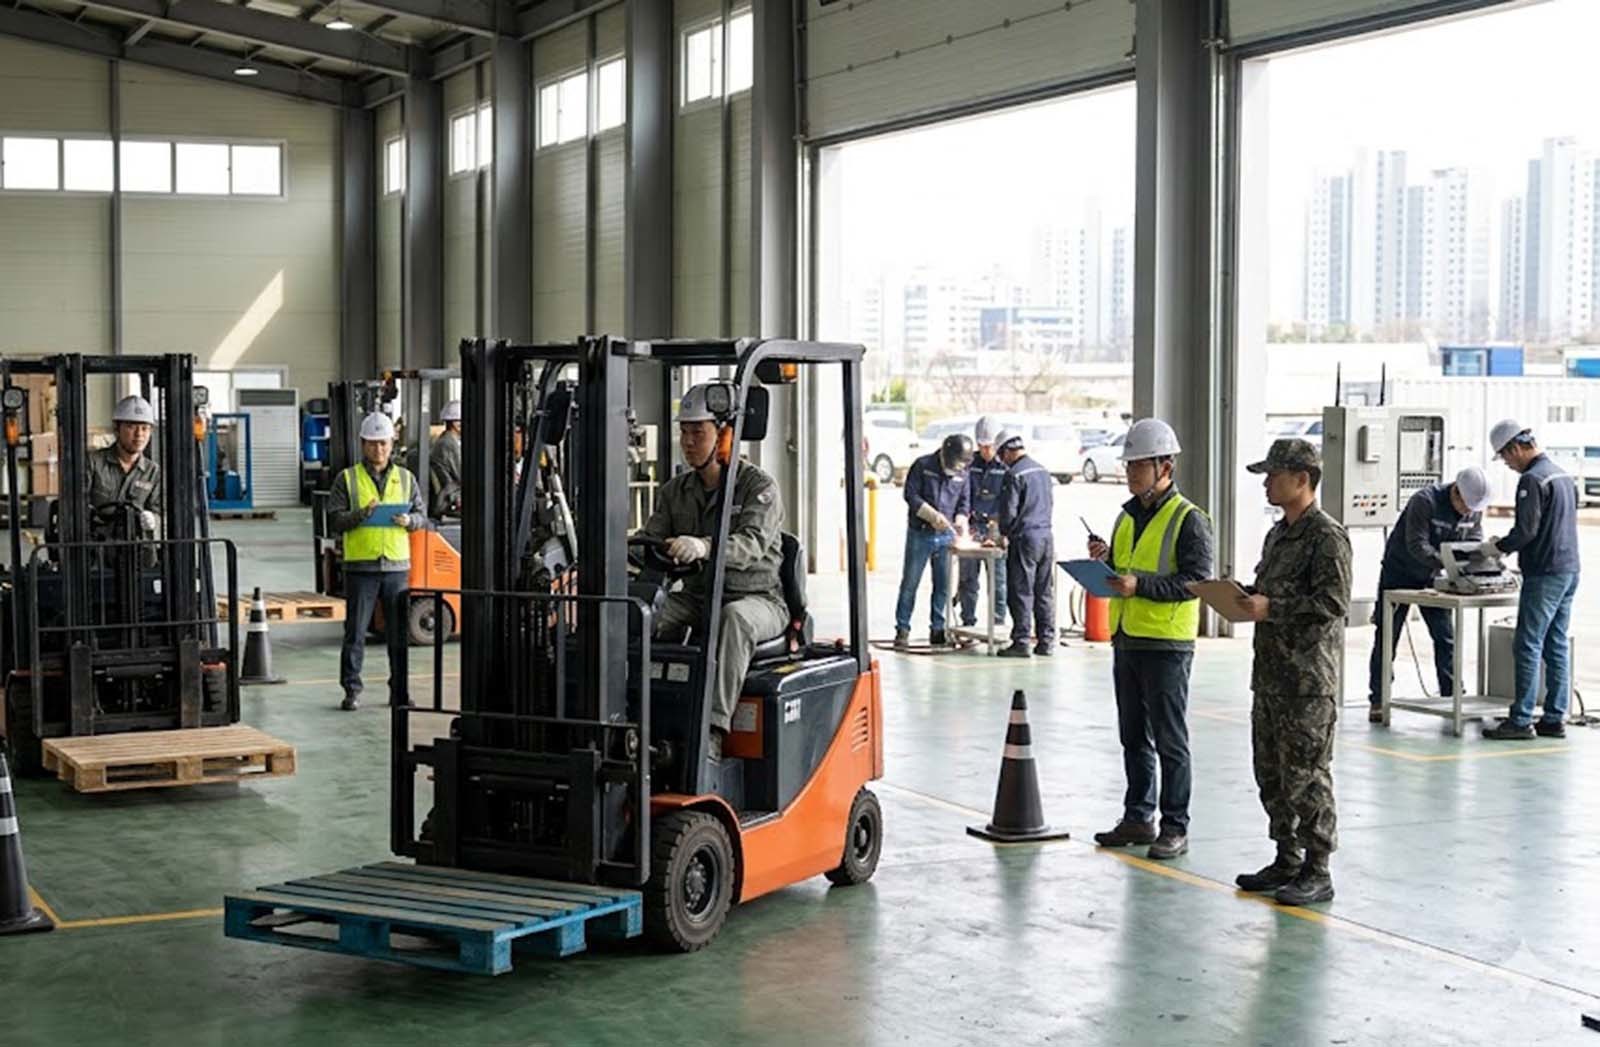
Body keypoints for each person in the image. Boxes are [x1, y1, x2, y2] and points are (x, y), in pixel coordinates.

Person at [1087, 418, 1214, 861]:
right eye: (1128, 466)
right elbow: (1126, 569)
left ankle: (1174, 825)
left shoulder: (1190, 520)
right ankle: (1138, 817)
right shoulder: (1125, 516)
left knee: (1169, 740)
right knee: (1133, 736)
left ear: (1166, 467)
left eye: (1139, 465)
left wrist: (1138, 586)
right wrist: (1107, 561)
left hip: (1166, 645)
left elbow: (1197, 581)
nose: (1131, 473)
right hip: (1128, 639)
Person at [641, 383, 787, 763]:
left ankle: (711, 732)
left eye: (698, 433)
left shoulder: (758, 488)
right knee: (640, 614)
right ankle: (637, 716)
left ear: (724, 435)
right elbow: (651, 541)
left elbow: (751, 544)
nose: (688, 442)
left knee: (733, 619)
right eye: (684, 433)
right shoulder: (675, 491)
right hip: (698, 596)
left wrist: (704, 546)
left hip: (756, 599)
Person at [1234, 438, 1351, 906]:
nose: (1266, 482)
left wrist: (1272, 607)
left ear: (1302, 479)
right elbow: (1269, 592)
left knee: (1307, 775)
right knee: (1273, 774)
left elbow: (1333, 603)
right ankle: (1287, 857)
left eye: (1274, 474)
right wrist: (1243, 597)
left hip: (1306, 682)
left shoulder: (1326, 537)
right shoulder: (1278, 534)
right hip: (1271, 676)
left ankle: (1317, 868)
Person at [1480, 420, 1580, 740]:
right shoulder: (1562, 475)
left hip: (1545, 573)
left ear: (1517, 448)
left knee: (1527, 643)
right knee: (1556, 643)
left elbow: (1527, 531)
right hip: (1568, 569)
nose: (1508, 464)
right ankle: (1553, 717)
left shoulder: (1532, 480)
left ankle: (1521, 720)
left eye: (1506, 457)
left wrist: (1497, 548)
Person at [1365, 466, 1489, 723]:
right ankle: (1378, 699)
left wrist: (1480, 564)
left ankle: (1452, 697)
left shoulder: (1473, 510)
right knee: (1387, 637)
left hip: (1436, 580)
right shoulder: (1425, 501)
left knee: (1446, 638)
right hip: (1399, 573)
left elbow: (1475, 542)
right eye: (1464, 506)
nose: (1467, 512)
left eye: (1472, 510)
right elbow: (1416, 544)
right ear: (1455, 491)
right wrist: (1447, 562)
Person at [327, 412, 426, 712]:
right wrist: (361, 515)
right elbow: (334, 520)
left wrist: (410, 520)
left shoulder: (406, 479)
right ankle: (351, 691)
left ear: (391, 444)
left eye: (383, 444)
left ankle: (400, 691)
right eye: (372, 444)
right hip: (361, 568)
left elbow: (422, 517)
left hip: (396, 567)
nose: (378, 450)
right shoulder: (347, 479)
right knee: (355, 633)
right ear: (363, 444)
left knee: (398, 636)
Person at [893, 434, 973, 650]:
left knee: (943, 585)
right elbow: (910, 494)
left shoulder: (963, 472)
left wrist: (960, 520)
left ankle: (938, 628)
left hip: (946, 536)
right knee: (910, 583)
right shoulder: (923, 465)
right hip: (921, 532)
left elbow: (964, 503)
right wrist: (931, 515)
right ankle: (902, 628)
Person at [996, 429, 1056, 657]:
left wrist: (1003, 533)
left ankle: (1021, 641)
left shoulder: (1014, 475)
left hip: (1024, 539)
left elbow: (1008, 513)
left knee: (1021, 591)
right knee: (1043, 591)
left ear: (1006, 452)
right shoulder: (1042, 471)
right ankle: (1046, 641)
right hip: (1046, 537)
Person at [956, 416, 1009, 630]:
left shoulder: (1006, 466)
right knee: (968, 579)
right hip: (973, 525)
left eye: (989, 446)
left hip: (996, 528)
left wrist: (997, 531)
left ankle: (997, 623)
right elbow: (962, 493)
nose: (985, 451)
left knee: (998, 580)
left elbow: (1009, 500)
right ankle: (968, 622)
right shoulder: (970, 464)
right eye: (981, 446)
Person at [88, 395, 162, 542]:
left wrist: (154, 520)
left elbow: (160, 512)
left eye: (144, 428)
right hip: (98, 551)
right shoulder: (93, 463)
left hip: (137, 550)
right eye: (131, 427)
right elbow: (77, 508)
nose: (139, 434)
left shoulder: (153, 472)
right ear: (117, 429)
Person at [429, 399, 463, 518]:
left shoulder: (446, 440)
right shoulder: (448, 443)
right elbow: (462, 475)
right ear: (456, 423)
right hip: (451, 496)